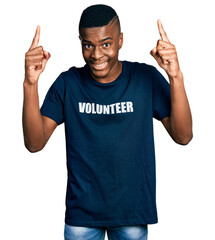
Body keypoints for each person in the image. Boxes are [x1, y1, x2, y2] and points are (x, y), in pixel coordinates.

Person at [23, 4, 192, 240]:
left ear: (120, 40)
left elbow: (183, 136)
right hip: (82, 217)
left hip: (131, 214)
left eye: (106, 44)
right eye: (88, 45)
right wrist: (30, 84)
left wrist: (176, 76)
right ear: (80, 42)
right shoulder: (68, 83)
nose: (96, 54)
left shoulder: (145, 78)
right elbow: (34, 143)